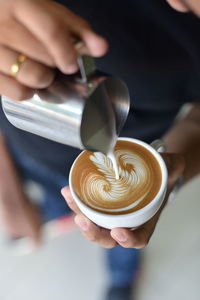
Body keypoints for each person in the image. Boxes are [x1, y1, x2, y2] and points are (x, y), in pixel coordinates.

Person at [0, 0, 199, 300]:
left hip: (138, 157)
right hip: (29, 151)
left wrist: (169, 175)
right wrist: (9, 193)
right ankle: (52, 211)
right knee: (57, 197)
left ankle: (121, 275)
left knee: (121, 237)